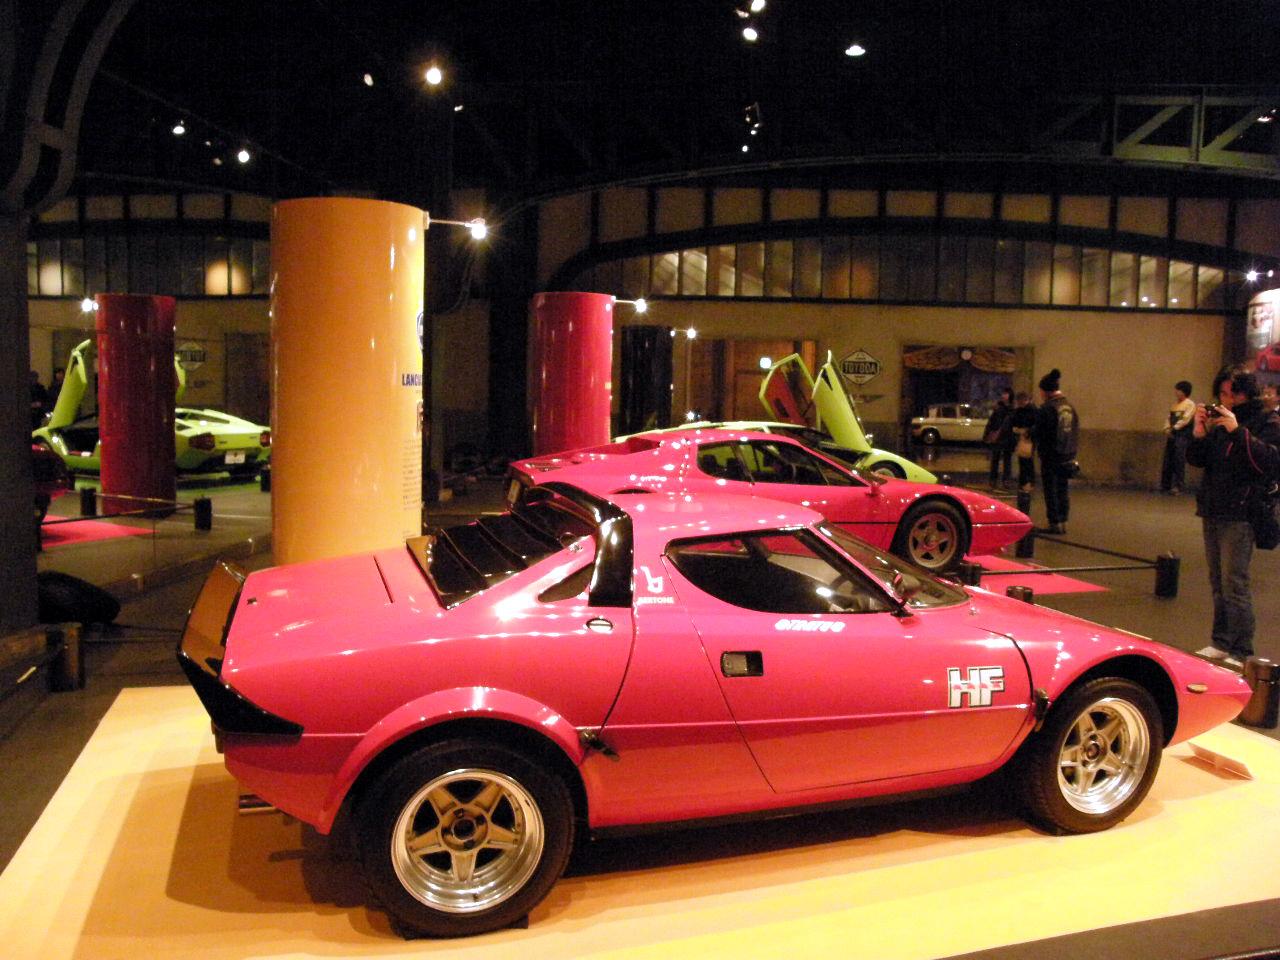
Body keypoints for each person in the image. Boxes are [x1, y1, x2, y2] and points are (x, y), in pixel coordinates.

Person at [1185, 367, 1280, 667]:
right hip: (1213, 507)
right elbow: (1198, 460)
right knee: (1217, 582)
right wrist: (1199, 432)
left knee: (1234, 582)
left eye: (1233, 394)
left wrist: (1237, 431)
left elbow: (1268, 463)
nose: (1226, 399)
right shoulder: (1219, 423)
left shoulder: (1266, 421)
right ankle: (1220, 641)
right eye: (1222, 393)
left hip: (1241, 511)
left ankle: (1241, 649)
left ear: (1246, 393)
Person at [1034, 368, 1079, 535]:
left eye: (1041, 391)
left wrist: (1030, 434)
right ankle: (1063, 520)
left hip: (1051, 455)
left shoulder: (1048, 408)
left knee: (1050, 489)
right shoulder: (1069, 407)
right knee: (1062, 488)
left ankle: (1054, 522)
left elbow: (1040, 432)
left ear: (1046, 391)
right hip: (1068, 454)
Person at [1160, 380, 1195, 494]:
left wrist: (1174, 428)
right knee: (1168, 459)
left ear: (1184, 391)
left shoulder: (1189, 404)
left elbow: (1186, 419)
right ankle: (1166, 485)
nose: (1176, 392)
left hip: (1182, 435)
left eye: (1178, 390)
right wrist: (1167, 429)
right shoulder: (1175, 405)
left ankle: (1179, 486)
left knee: (1178, 460)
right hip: (1172, 434)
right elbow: (1168, 418)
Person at [983, 388, 1014, 488]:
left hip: (1008, 437)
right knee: (995, 458)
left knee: (1007, 460)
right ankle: (993, 479)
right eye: (1003, 393)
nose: (1004, 395)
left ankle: (1006, 480)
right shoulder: (998, 408)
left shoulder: (1012, 409)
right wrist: (987, 434)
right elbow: (991, 422)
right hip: (997, 436)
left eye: (1006, 393)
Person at [1009, 391, 1037, 492]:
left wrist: (1027, 431)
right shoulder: (1022, 410)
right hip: (1023, 437)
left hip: (1028, 438)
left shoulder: (1031, 410)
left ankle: (1027, 482)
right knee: (1024, 460)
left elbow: (1036, 425)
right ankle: (1025, 482)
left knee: (1026, 460)